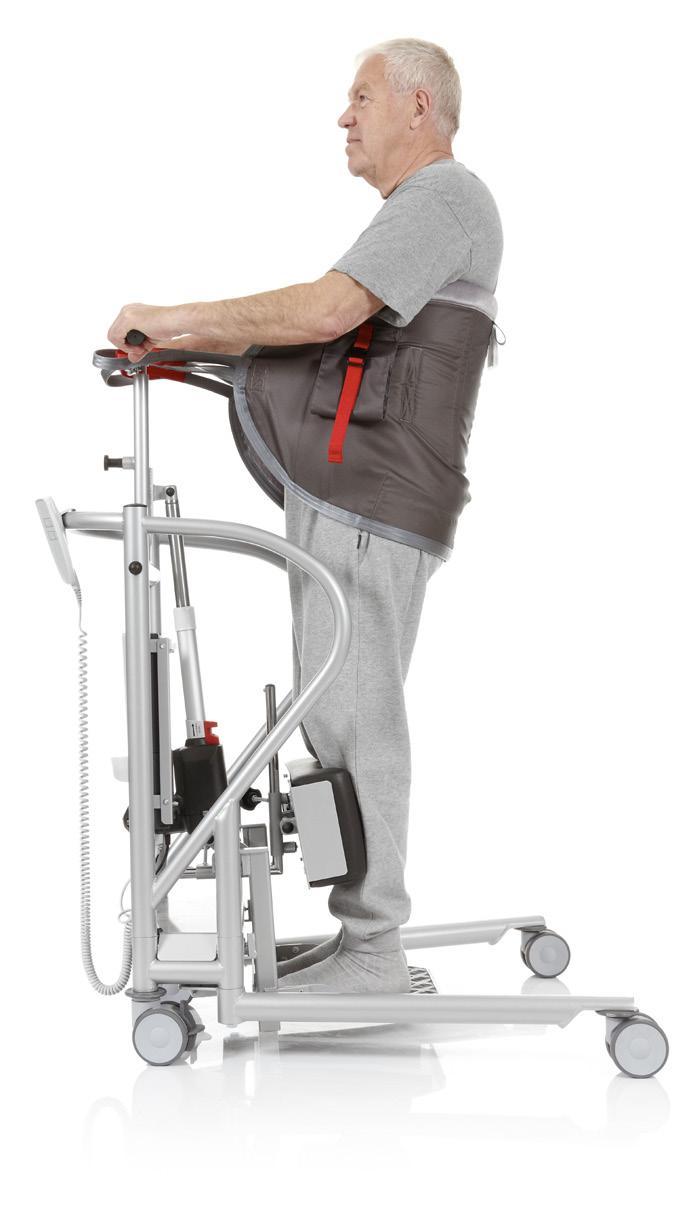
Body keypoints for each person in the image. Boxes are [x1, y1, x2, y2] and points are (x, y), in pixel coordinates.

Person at [107, 37, 503, 995]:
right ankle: (358, 937)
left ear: (419, 106)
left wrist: (174, 319)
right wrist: (183, 353)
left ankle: (374, 949)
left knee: (355, 712)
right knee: (333, 710)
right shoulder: (417, 212)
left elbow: (326, 313)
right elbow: (338, 341)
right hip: (354, 492)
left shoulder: (443, 197)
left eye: (361, 97)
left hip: (374, 496)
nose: (343, 116)